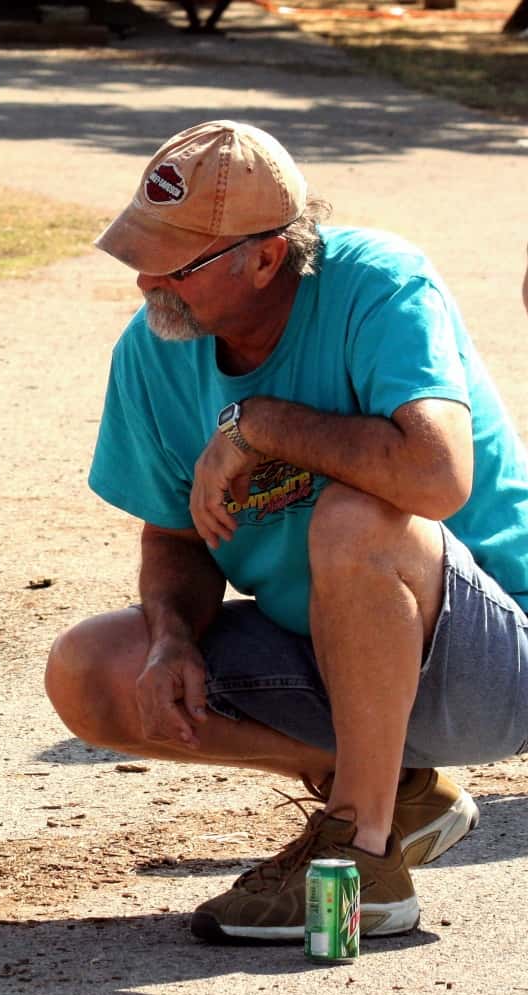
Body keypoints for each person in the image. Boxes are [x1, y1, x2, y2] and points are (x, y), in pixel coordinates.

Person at [46, 120, 528, 944]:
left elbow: (435, 479)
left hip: (490, 658)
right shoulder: (155, 348)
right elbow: (174, 536)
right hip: (331, 657)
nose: (146, 281)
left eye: (176, 262)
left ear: (266, 256)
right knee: (93, 671)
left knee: (355, 517)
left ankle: (362, 859)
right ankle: (397, 795)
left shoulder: (379, 284)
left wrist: (263, 423)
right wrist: (171, 640)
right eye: (141, 250)